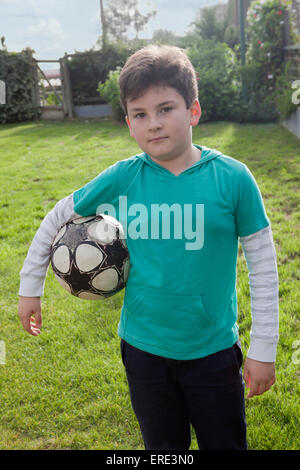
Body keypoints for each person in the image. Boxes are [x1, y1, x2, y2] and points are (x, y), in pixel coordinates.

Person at [18, 45, 279, 450]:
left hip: (212, 352)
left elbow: (263, 266)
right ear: (129, 124)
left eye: (165, 109)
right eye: (140, 114)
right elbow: (57, 217)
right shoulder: (123, 177)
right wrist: (30, 288)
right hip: (143, 351)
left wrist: (263, 348)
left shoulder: (233, 179)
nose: (153, 124)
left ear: (193, 111)